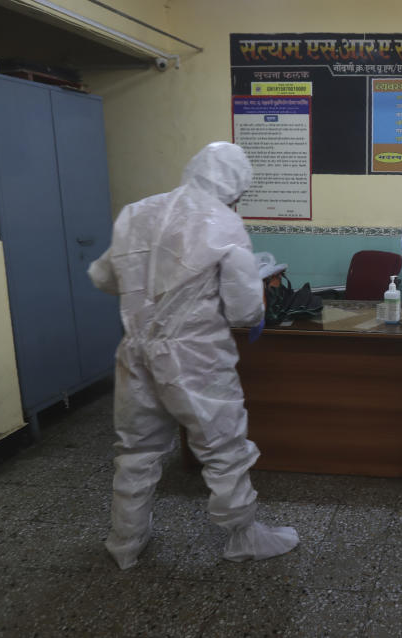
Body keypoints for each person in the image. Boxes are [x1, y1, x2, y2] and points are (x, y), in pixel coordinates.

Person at [88, 141, 299, 570]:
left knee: (136, 449)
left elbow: (104, 276)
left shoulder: (136, 212)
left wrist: (150, 293)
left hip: (136, 350)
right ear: (235, 187)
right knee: (224, 447)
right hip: (195, 354)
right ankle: (243, 536)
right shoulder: (224, 222)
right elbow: (243, 309)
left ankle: (125, 541)